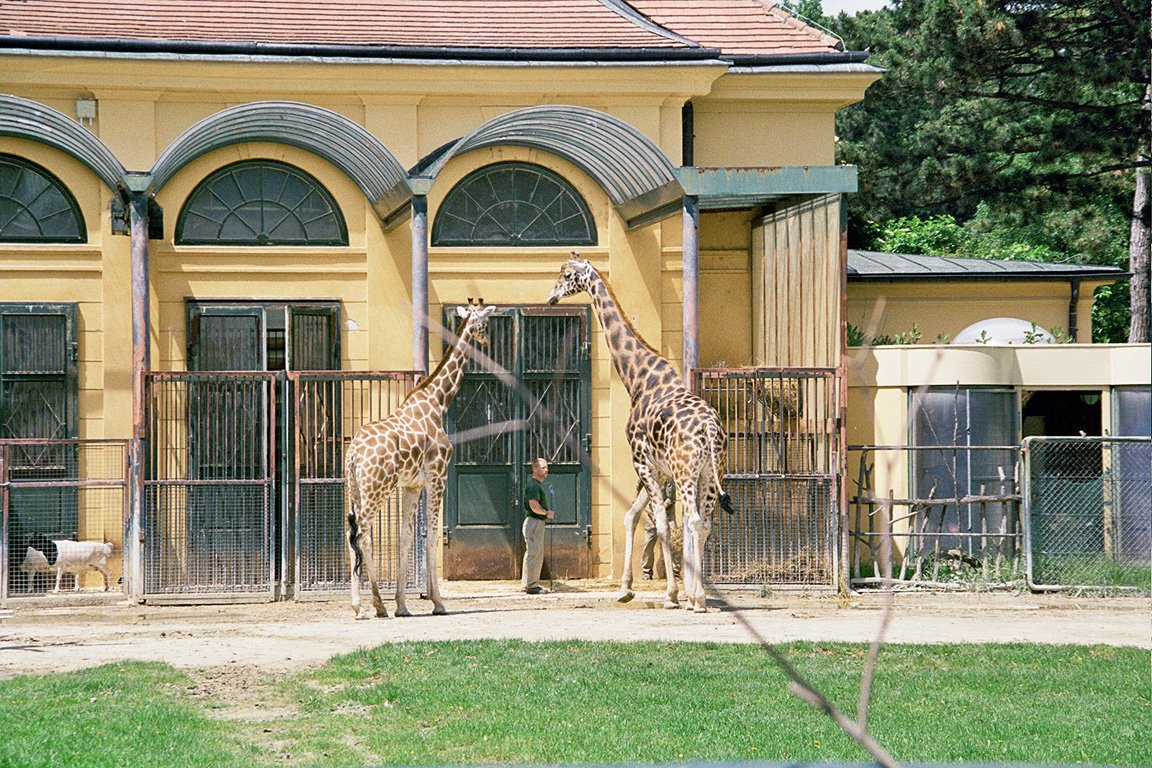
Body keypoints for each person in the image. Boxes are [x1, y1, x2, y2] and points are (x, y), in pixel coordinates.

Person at [522, 457, 554, 594]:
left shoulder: (535, 485)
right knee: (535, 554)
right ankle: (532, 585)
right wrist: (547, 513)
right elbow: (534, 506)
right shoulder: (534, 486)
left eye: (547, 467)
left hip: (533, 523)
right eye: (543, 467)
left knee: (531, 553)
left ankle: (526, 583)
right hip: (535, 522)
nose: (546, 470)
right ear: (535, 469)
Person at [641, 479, 681, 581]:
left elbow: (671, 499)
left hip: (668, 515)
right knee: (648, 543)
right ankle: (647, 572)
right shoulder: (645, 478)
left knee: (675, 542)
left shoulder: (668, 479)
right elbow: (640, 500)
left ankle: (675, 573)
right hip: (652, 516)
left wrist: (659, 511)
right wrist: (652, 514)